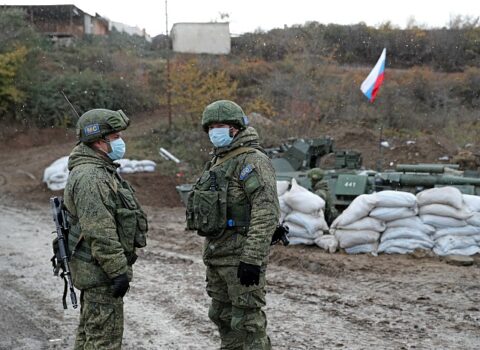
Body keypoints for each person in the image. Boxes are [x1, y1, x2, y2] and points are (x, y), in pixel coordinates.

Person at [186, 100, 280, 349]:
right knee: (222, 317)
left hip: (241, 258)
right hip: (217, 255)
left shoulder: (252, 161)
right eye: (211, 127)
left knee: (248, 323)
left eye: (221, 125)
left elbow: (266, 211)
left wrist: (252, 258)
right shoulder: (219, 162)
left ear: (236, 128)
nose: (215, 131)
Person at [63, 109, 148, 350]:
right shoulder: (91, 177)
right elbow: (99, 230)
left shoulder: (99, 171)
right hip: (99, 273)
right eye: (116, 137)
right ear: (100, 142)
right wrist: (117, 272)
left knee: (91, 337)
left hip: (97, 271)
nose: (121, 142)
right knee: (103, 342)